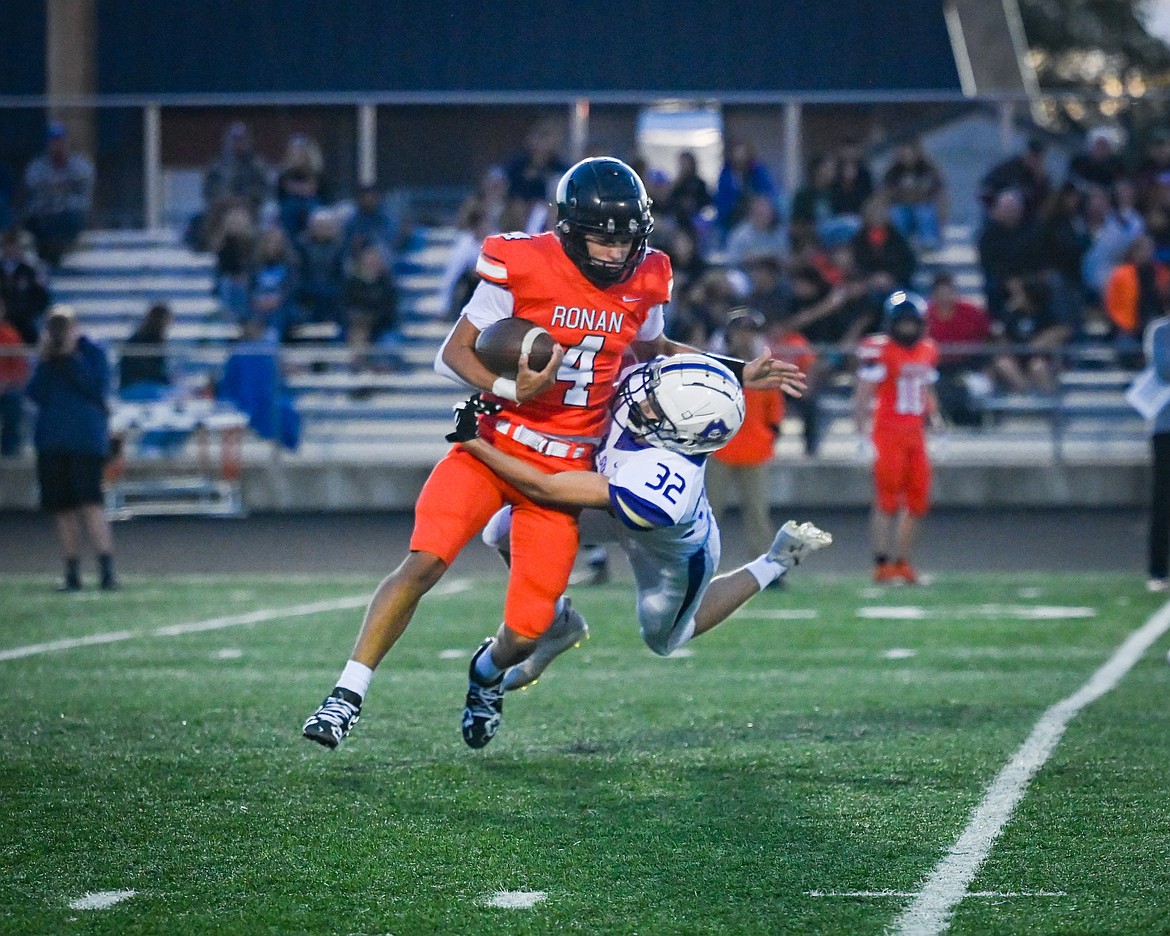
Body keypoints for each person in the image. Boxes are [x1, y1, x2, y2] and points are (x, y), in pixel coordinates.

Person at [301, 157, 804, 751]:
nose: (616, 253)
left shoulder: (649, 276)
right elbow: (452, 354)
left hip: (565, 465)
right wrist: (511, 390)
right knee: (425, 561)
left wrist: (740, 371)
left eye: (625, 239)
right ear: (567, 229)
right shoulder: (523, 261)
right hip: (495, 445)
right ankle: (346, 695)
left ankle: (485, 675)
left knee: (526, 629)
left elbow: (657, 347)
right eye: (601, 238)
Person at [454, 355, 830, 703]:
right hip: (612, 503)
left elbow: (547, 487)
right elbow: (660, 351)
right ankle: (556, 622)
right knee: (503, 531)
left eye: (656, 406)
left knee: (665, 638)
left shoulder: (665, 475)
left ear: (680, 435)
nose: (642, 400)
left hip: (669, 548)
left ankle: (775, 560)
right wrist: (736, 368)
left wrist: (476, 444)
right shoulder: (656, 403)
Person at [25, 306, 118, 591]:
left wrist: (71, 358)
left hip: (85, 441)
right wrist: (47, 359)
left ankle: (106, 570)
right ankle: (72, 571)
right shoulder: (46, 359)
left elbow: (96, 388)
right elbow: (35, 393)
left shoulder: (93, 352)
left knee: (91, 504)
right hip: (52, 440)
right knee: (62, 508)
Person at [853, 291, 940, 585]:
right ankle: (881, 564)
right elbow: (863, 394)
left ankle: (902, 562)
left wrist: (937, 423)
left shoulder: (928, 349)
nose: (908, 330)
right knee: (886, 501)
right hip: (887, 433)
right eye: (902, 324)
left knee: (917, 502)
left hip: (916, 434)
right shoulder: (879, 350)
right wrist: (861, 435)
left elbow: (927, 390)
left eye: (912, 324)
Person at [705, 311, 786, 561]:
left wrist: (768, 436)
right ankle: (700, 562)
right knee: (708, 513)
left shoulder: (765, 370)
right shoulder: (716, 366)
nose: (745, 337)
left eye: (750, 332)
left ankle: (764, 565)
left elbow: (774, 412)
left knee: (758, 513)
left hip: (755, 450)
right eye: (740, 331)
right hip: (719, 450)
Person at [22, 122, 94, 267]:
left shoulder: (80, 164)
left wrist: (60, 186)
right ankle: (48, 258)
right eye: (54, 141)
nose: (57, 145)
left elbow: (84, 190)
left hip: (69, 215)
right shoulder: (38, 166)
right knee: (37, 224)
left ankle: (58, 255)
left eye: (60, 141)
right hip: (45, 216)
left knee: (68, 221)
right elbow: (32, 183)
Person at [1138, 313, 1170, 592]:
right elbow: (1164, 367)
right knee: (1163, 500)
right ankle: (1158, 571)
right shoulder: (1159, 330)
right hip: (1165, 426)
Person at [0, 226, 50, 346]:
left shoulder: (29, 271)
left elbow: (41, 297)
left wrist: (29, 311)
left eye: (14, 245)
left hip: (24, 322)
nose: (11, 249)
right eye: (8, 245)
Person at [0, 297, 30, 456]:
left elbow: (20, 368)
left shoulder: (11, 335)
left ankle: (10, 452)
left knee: (13, 401)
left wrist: (5, 383)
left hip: (7, 389)